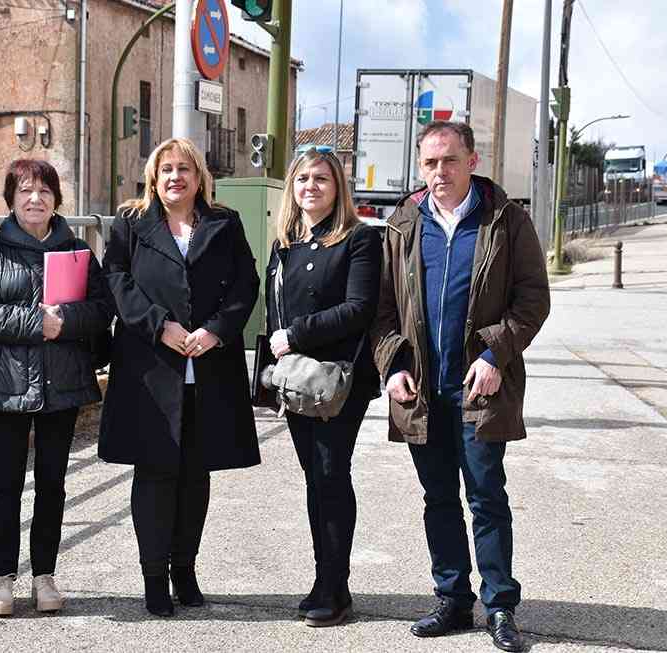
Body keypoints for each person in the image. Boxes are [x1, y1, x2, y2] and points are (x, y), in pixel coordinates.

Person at [372, 121, 550, 652]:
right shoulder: (403, 224)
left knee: (486, 496)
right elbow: (382, 309)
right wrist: (392, 363)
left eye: (449, 160)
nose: (439, 172)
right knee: (438, 498)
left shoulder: (506, 221)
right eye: (429, 163)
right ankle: (451, 599)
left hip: (481, 388)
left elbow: (533, 300)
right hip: (422, 390)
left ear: (472, 160)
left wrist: (496, 354)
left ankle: (499, 606)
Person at [99, 137, 260, 617]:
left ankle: (185, 570)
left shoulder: (224, 223)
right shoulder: (131, 222)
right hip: (150, 369)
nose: (175, 177)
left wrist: (216, 331)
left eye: (185, 169)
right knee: (154, 473)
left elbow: (246, 282)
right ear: (153, 176)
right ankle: (153, 578)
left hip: (208, 366)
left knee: (195, 475)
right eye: (166, 169)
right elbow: (115, 280)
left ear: (199, 177)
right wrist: (158, 326)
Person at [0, 159, 112, 617]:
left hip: (62, 380)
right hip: (7, 381)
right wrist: (36, 322)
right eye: (25, 191)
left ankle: (45, 574)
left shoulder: (77, 251)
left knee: (53, 483)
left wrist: (63, 322)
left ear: (57, 200)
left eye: (45, 191)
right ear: (10, 200)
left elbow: (101, 307)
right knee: (5, 484)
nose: (36, 199)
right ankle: (1, 578)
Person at [263, 148, 382, 627]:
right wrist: (282, 350)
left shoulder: (358, 240)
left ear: (338, 189)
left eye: (322, 179)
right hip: (297, 382)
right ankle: (326, 579)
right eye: (303, 179)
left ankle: (333, 587)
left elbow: (359, 308)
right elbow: (274, 307)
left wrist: (295, 335)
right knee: (315, 479)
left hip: (338, 382)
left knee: (332, 475)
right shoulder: (286, 244)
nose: (310, 186)